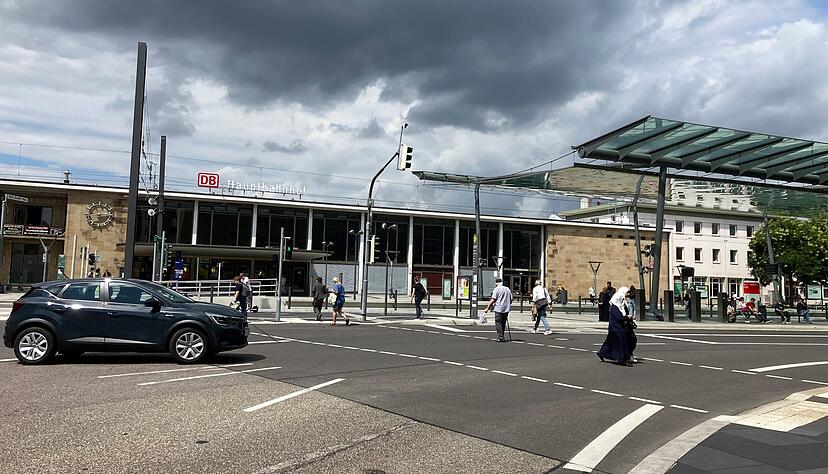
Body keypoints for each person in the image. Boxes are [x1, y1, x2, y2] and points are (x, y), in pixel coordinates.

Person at [597, 286, 633, 366]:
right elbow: (619, 317)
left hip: (616, 327)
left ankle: (602, 353)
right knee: (621, 342)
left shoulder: (619, 306)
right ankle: (622, 359)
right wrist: (627, 317)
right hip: (616, 328)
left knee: (610, 342)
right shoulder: (615, 307)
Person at [483, 278, 513, 342]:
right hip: (506, 309)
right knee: (503, 322)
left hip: (498, 308)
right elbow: (511, 299)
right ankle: (502, 335)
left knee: (498, 322)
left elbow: (493, 299)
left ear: (496, 284)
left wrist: (487, 308)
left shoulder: (496, 289)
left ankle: (500, 337)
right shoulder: (507, 289)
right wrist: (508, 304)